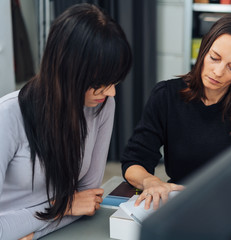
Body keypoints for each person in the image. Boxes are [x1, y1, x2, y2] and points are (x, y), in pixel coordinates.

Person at [0, 3, 132, 239]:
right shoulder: (8, 116)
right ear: (68, 71)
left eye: (115, 81)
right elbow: (75, 205)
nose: (111, 92)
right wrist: (64, 207)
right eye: (102, 82)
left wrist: (34, 228)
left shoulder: (102, 105)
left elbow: (87, 200)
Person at [121, 14, 231, 210]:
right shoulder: (166, 96)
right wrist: (151, 182)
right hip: (181, 203)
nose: (218, 72)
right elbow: (134, 160)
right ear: (203, 50)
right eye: (214, 58)